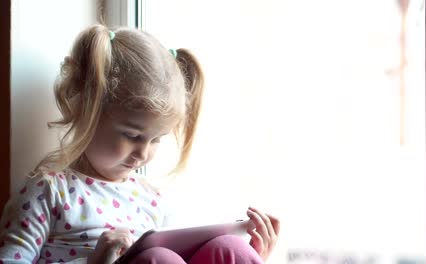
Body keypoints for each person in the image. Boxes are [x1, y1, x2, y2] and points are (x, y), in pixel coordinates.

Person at [0, 24, 280, 263]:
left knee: (231, 249)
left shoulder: (150, 199)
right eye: (132, 135)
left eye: (156, 139)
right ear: (88, 111)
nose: (143, 153)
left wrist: (254, 254)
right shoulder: (48, 191)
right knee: (157, 260)